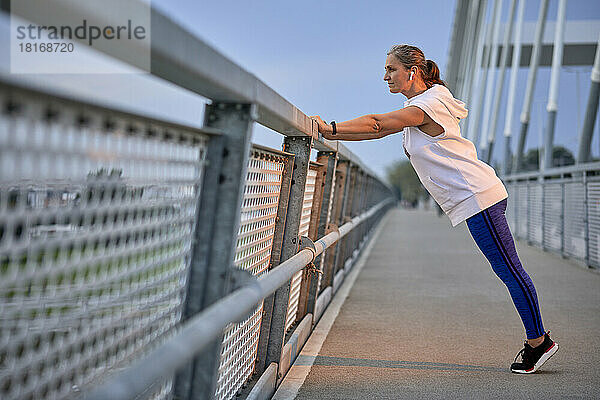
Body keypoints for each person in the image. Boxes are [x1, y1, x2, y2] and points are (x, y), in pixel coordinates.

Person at [310, 44, 558, 374]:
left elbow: (377, 125)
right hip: (478, 196)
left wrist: (329, 129)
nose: (385, 76)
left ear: (412, 71)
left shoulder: (426, 105)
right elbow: (379, 129)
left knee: (509, 269)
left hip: (478, 196)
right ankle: (538, 339)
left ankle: (539, 343)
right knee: (507, 268)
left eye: (391, 69)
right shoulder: (428, 100)